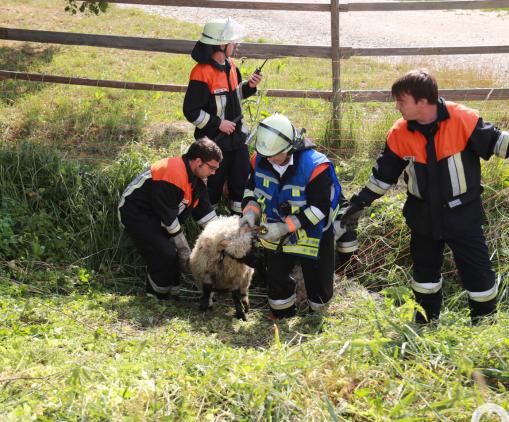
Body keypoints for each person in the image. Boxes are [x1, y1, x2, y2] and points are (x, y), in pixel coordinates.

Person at [341, 69, 509, 324]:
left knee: (478, 273)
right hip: (422, 217)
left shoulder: (462, 119)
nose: (397, 106)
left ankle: (485, 325)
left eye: (401, 101)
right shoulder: (399, 132)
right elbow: (383, 176)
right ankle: (425, 323)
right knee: (424, 277)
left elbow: (496, 141)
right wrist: (359, 202)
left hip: (463, 215)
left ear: (422, 101)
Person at [240, 114, 343, 318]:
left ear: (289, 149)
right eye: (265, 155)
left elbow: (320, 209)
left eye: (273, 156)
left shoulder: (315, 167)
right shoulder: (259, 159)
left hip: (313, 235)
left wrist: (284, 227)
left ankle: (316, 319)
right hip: (274, 233)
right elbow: (251, 190)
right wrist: (250, 213)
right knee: (276, 280)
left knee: (318, 286)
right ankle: (281, 316)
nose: (268, 160)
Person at [118, 137, 222, 300]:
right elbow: (168, 218)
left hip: (158, 215)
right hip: (135, 213)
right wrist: (184, 248)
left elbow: (205, 213)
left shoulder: (197, 179)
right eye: (212, 168)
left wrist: (224, 238)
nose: (214, 172)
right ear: (198, 161)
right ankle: (156, 297)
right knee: (165, 254)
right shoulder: (173, 173)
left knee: (172, 254)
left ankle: (172, 295)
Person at [183, 18, 263, 215]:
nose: (234, 44)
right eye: (231, 41)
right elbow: (191, 111)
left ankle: (238, 225)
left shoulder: (231, 65)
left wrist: (249, 86)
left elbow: (234, 97)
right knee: (213, 187)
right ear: (221, 44)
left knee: (240, 184)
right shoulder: (201, 73)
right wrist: (218, 124)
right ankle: (210, 226)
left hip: (238, 140)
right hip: (215, 143)